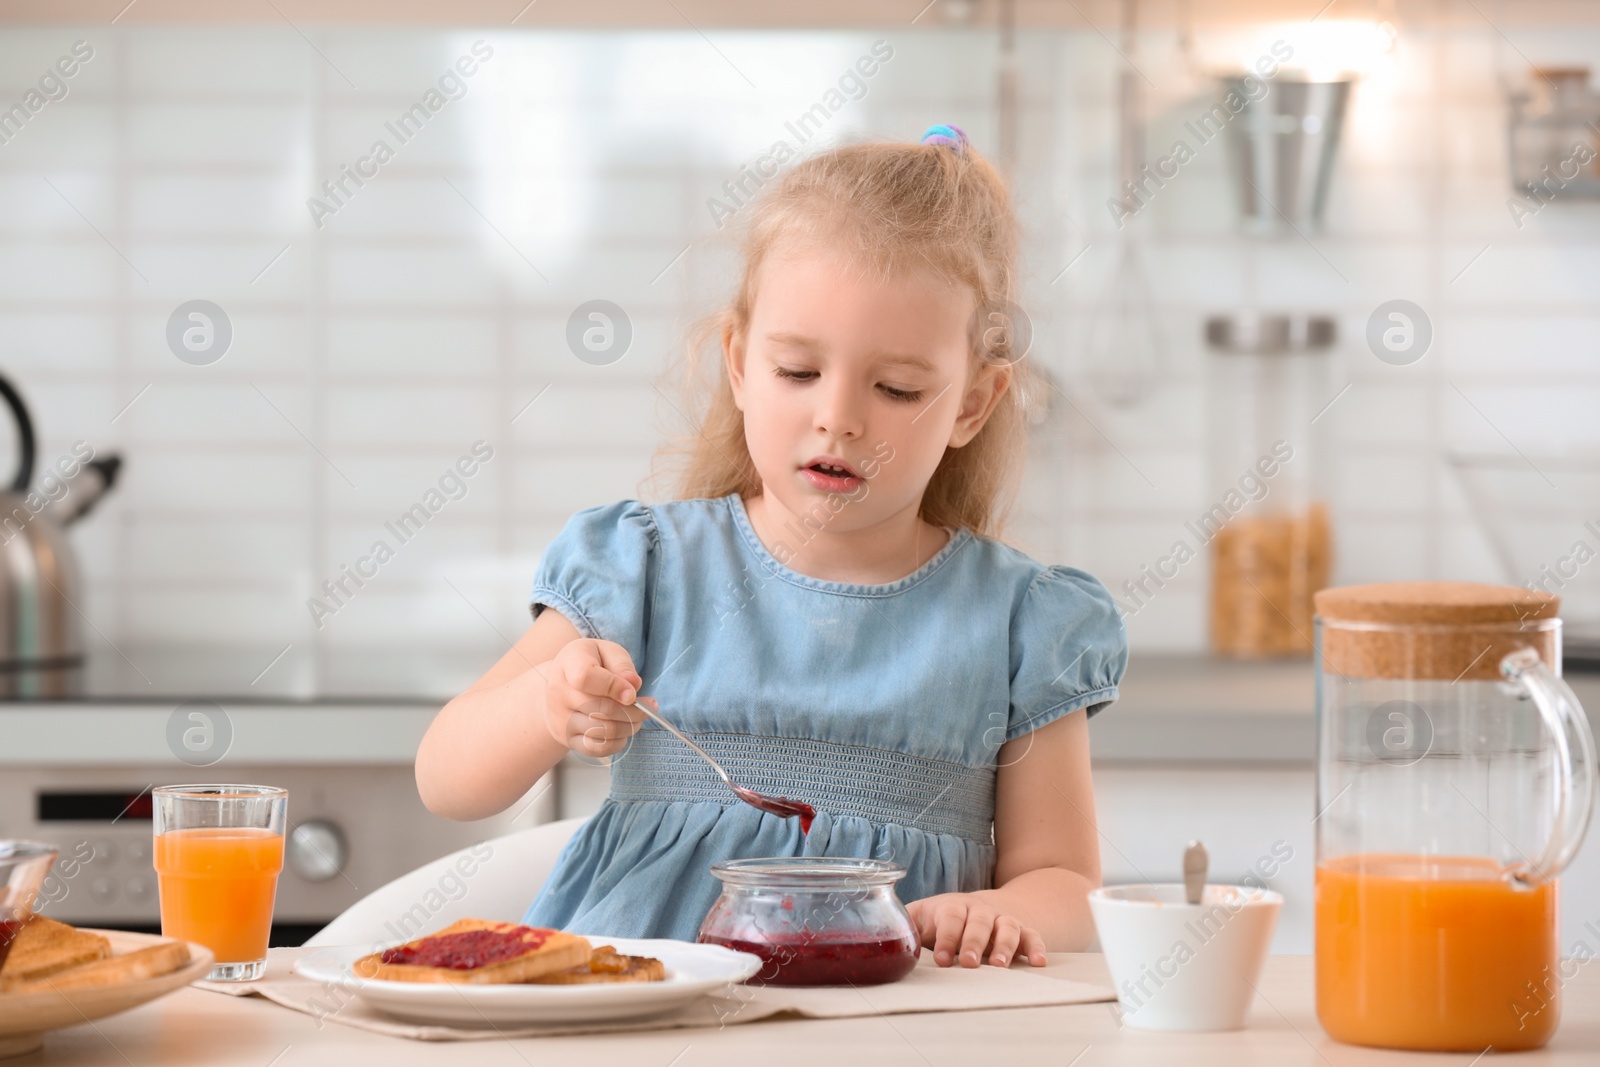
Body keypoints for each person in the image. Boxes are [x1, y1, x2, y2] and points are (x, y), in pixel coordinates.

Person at [416, 124, 1128, 970]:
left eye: (897, 388)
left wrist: (1001, 912)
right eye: (798, 371)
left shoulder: (1021, 621)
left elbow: (1067, 879)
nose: (839, 416)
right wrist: (546, 704)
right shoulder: (647, 569)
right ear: (739, 363)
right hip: (633, 1022)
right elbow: (448, 778)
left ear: (973, 404)